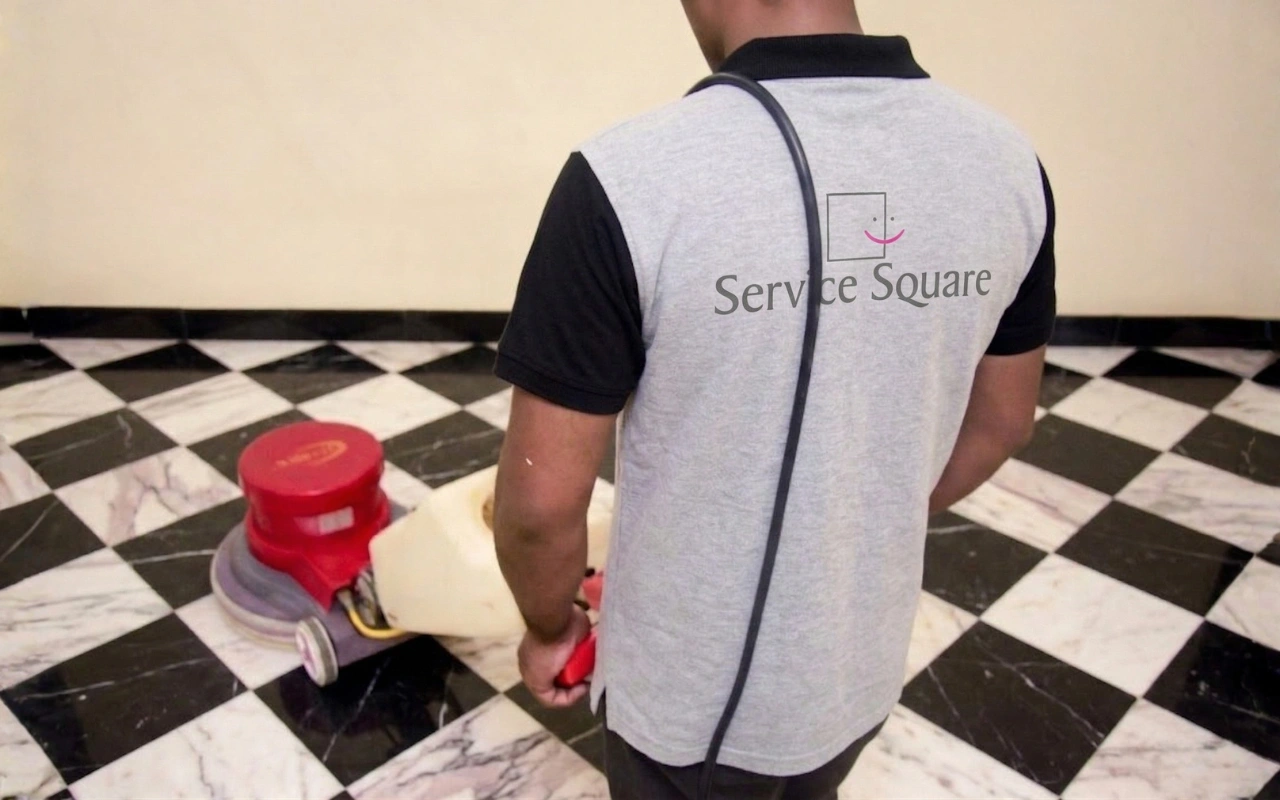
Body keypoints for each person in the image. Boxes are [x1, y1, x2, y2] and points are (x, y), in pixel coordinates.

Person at [491, 0, 1054, 797]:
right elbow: (1002, 423)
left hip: (685, 705)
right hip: (858, 670)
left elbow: (541, 504)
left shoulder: (625, 177)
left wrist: (551, 627)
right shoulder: (1008, 163)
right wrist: (850, 528)